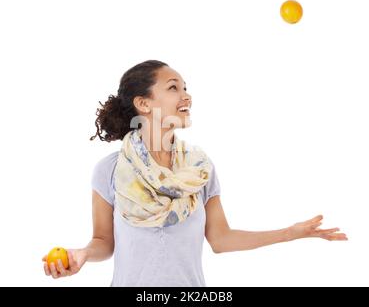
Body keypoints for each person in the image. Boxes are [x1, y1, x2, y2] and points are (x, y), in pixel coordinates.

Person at [42, 60, 348, 286]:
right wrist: (82, 253)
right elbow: (103, 243)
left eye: (186, 88)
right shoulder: (109, 171)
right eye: (174, 88)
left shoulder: (199, 170)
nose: (186, 97)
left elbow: (221, 239)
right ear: (144, 103)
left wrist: (289, 233)